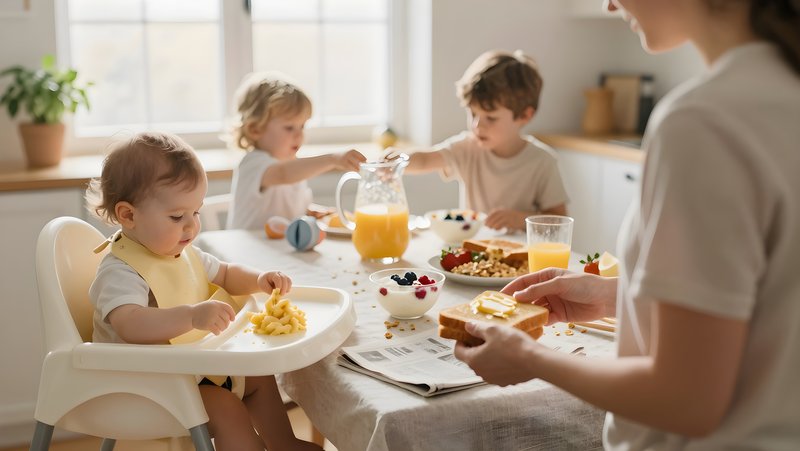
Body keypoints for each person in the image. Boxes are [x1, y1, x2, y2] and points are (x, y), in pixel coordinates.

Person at [455, 0, 800, 449]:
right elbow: (769, 306)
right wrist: (619, 298)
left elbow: (686, 399)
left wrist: (529, 358)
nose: (609, 3)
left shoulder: (703, 120)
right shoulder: (779, 95)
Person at [86, 132, 322, 451]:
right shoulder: (122, 270)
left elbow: (224, 273)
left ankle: (282, 442)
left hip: (187, 369)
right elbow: (130, 323)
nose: (191, 226)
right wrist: (192, 316)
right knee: (226, 407)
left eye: (195, 212)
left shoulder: (179, 252)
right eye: (177, 216)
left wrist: (259, 279)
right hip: (143, 384)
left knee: (257, 376)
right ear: (128, 215)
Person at [389, 49, 568, 232]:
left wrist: (520, 219)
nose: (477, 126)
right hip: (474, 256)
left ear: (524, 115)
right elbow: (425, 160)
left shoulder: (543, 162)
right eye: (473, 113)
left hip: (522, 257)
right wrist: (390, 162)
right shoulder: (468, 148)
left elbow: (559, 221)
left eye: (491, 118)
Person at [226, 72, 366, 229]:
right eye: (289, 128)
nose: (299, 135)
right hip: (245, 250)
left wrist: (311, 212)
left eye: (302, 126)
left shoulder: (294, 166)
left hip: (277, 249)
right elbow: (283, 174)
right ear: (255, 129)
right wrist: (332, 159)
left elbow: (291, 207)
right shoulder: (253, 163)